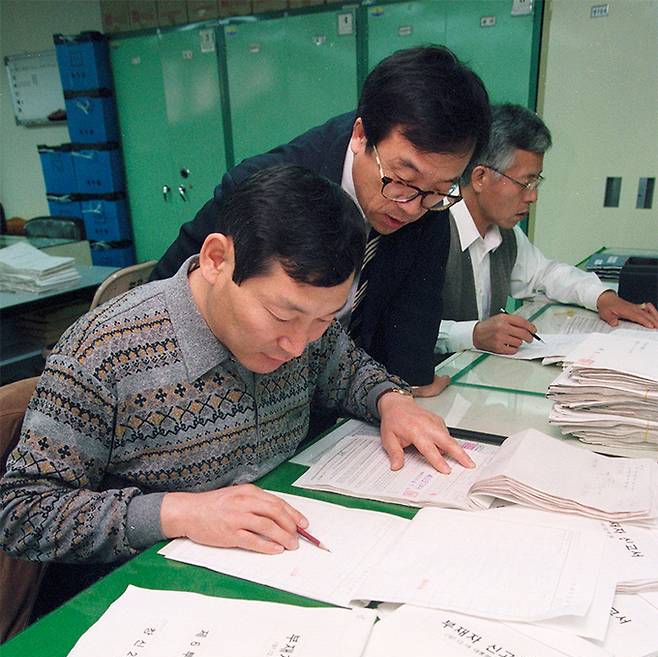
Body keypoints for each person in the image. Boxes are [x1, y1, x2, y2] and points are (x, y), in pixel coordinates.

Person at [0, 166, 473, 565]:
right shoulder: (102, 350)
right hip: (148, 584)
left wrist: (392, 400)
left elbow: (345, 369)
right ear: (216, 259)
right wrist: (178, 514)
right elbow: (22, 513)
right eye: (281, 316)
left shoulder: (307, 329)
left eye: (324, 319)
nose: (296, 345)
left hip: (284, 550)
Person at [150, 46, 491, 396]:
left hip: (346, 398)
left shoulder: (428, 201)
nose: (411, 207)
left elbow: (413, 319)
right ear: (361, 136)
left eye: (438, 189)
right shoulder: (266, 192)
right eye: (401, 180)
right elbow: (168, 292)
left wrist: (399, 395)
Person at [435, 104, 658, 356]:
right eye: (524, 183)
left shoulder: (505, 233)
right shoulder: (433, 229)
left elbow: (546, 274)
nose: (532, 197)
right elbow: (399, 328)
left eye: (536, 182)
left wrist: (603, 297)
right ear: (480, 177)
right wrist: (472, 335)